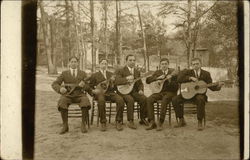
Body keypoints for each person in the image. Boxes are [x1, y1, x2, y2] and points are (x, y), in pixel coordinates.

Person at [172, 58, 224, 131]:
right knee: (175, 99)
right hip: (187, 93)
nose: (195, 66)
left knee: (200, 99)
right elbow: (179, 79)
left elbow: (211, 86)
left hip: (200, 95)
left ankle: (200, 121)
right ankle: (181, 120)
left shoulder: (206, 74)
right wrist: (190, 78)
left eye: (197, 64)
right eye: (194, 64)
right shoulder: (188, 72)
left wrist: (218, 86)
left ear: (200, 64)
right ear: (191, 65)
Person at [51, 56, 92, 134]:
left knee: (85, 101)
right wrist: (60, 89)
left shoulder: (83, 73)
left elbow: (88, 86)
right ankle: (65, 125)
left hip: (80, 95)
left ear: (78, 63)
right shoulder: (64, 73)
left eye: (75, 62)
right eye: (72, 62)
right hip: (68, 95)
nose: (73, 63)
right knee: (62, 101)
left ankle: (83, 124)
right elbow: (55, 84)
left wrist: (84, 85)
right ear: (69, 63)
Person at [88, 59, 125, 131]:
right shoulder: (94, 75)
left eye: (105, 64)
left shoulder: (111, 74)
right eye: (102, 63)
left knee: (120, 100)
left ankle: (118, 121)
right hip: (100, 94)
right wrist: (93, 91)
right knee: (101, 101)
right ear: (99, 65)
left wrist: (113, 82)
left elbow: (114, 87)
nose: (104, 65)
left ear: (107, 65)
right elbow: (90, 86)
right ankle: (103, 122)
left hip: (110, 93)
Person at [115, 54, 148, 129]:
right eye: (130, 60)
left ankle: (143, 118)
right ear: (126, 61)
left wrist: (140, 89)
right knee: (130, 100)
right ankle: (130, 121)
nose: (132, 62)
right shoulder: (120, 70)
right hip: (123, 92)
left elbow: (140, 83)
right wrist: (126, 79)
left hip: (134, 92)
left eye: (134, 60)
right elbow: (116, 81)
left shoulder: (136, 71)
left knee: (144, 99)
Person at [145, 58, 178, 131]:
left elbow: (176, 87)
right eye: (162, 64)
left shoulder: (173, 72)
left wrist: (169, 80)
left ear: (168, 65)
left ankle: (160, 122)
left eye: (165, 64)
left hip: (170, 92)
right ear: (160, 65)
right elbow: (147, 80)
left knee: (164, 100)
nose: (164, 65)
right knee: (149, 99)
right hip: (159, 92)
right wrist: (157, 78)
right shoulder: (157, 72)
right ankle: (152, 121)